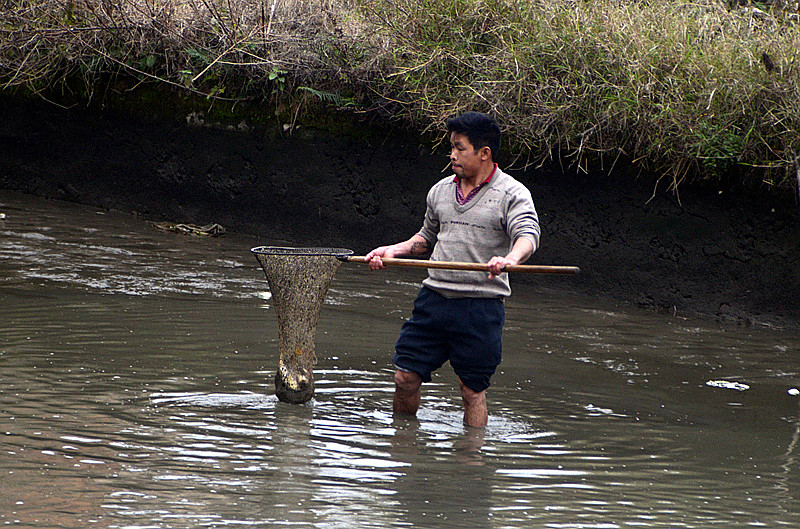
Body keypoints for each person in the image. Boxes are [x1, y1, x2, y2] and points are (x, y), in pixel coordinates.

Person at [366, 111, 540, 427]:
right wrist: (395, 250)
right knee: (405, 377)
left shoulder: (512, 194)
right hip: (433, 299)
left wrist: (510, 260)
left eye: (459, 148)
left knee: (471, 390)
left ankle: (471, 462)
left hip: (480, 307)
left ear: (484, 153)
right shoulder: (440, 191)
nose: (452, 155)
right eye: (452, 147)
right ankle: (403, 446)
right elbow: (426, 237)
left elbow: (527, 236)